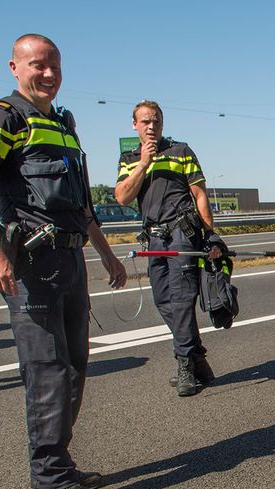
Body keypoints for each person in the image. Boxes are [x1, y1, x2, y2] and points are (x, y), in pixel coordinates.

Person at [0, 34, 128, 489]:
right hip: (32, 264)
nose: (48, 73)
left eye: (54, 65)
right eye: (37, 65)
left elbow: (80, 204)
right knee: (47, 371)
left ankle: (58, 465)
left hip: (70, 260)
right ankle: (50, 481)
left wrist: (106, 255)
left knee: (75, 367)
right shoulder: (2, 118)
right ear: (14, 67)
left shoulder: (63, 122)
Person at [115, 101, 224, 396]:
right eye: (146, 122)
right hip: (154, 238)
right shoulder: (129, 159)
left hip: (181, 233)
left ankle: (185, 363)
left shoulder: (181, 152)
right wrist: (143, 164)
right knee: (163, 300)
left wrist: (211, 236)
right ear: (135, 125)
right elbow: (123, 197)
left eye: (157, 121)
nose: (152, 126)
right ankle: (198, 357)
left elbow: (200, 195)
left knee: (181, 298)